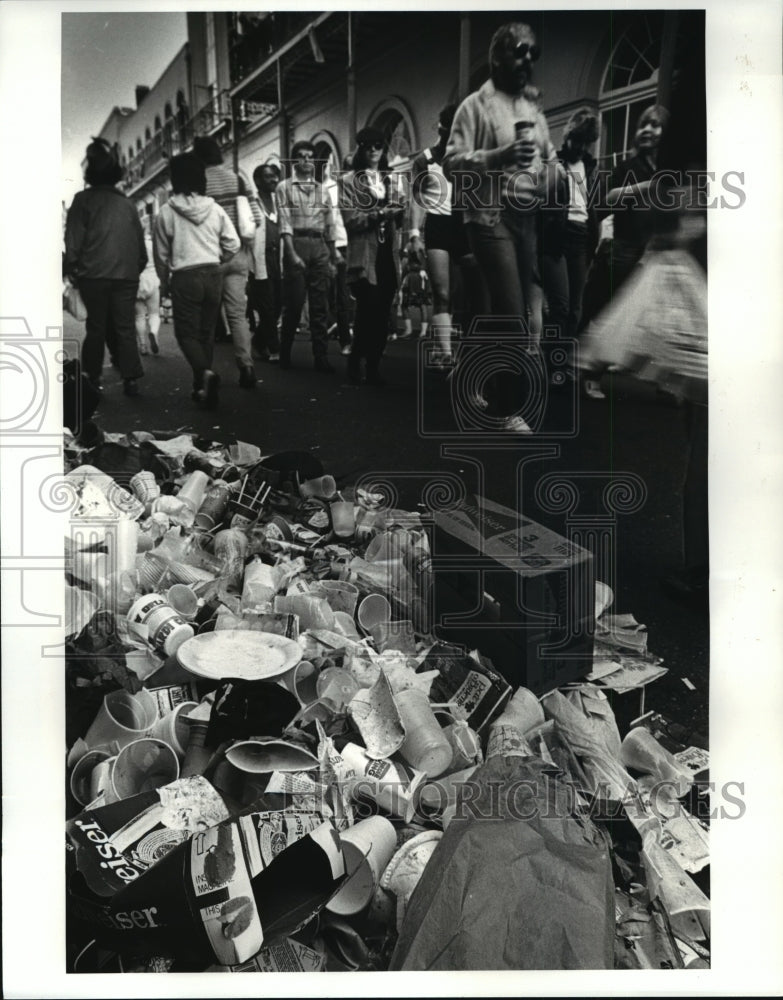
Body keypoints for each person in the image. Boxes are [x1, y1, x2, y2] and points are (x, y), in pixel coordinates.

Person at [444, 22, 558, 433]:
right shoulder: (474, 106)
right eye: (519, 51)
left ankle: (464, 375)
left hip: (526, 218)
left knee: (506, 312)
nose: (527, 59)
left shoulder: (532, 108)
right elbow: (451, 163)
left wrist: (550, 173)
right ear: (497, 56)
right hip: (488, 217)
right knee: (513, 315)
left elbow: (548, 160)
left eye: (533, 53)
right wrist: (499, 154)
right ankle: (503, 407)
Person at [577, 104, 671, 398]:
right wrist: (646, 187)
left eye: (655, 125)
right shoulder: (628, 168)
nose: (647, 130)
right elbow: (610, 197)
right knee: (608, 313)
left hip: (655, 254)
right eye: (643, 124)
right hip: (624, 250)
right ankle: (589, 373)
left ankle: (667, 384)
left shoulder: (669, 170)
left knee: (659, 320)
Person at [153, 153, 240, 409]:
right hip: (213, 272)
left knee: (185, 334)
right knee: (206, 333)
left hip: (185, 276)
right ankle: (200, 385)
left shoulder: (166, 212)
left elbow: (160, 255)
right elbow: (233, 243)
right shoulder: (215, 208)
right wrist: (219, 259)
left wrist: (164, 281)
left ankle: (203, 374)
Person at [64, 138, 147, 396]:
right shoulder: (128, 204)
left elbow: (74, 241)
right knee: (124, 326)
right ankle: (130, 377)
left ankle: (93, 377)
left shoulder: (82, 200)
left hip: (94, 275)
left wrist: (73, 269)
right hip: (126, 275)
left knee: (96, 326)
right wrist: (134, 269)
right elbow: (140, 248)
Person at [192, 136, 262, 389]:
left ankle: (205, 373)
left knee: (208, 317)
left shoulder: (198, 183)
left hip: (210, 258)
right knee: (238, 315)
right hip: (239, 256)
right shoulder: (238, 178)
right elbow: (256, 218)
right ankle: (247, 367)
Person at [540, 107, 600, 394]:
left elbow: (594, 206)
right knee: (560, 307)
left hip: (582, 237)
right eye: (575, 140)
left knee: (575, 309)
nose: (579, 146)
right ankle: (551, 365)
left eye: (585, 142)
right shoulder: (554, 161)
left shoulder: (591, 166)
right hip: (556, 236)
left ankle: (560, 365)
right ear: (568, 136)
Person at [341, 127, 406, 386]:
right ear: (360, 149)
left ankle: (374, 366)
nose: (373, 151)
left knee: (382, 314)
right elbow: (351, 221)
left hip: (387, 252)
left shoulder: (391, 179)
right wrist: (380, 214)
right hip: (365, 254)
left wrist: (399, 210)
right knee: (367, 312)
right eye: (367, 146)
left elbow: (402, 213)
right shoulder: (348, 181)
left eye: (378, 145)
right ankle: (356, 360)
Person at [277, 139, 339, 372]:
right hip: (297, 243)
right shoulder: (284, 187)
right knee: (293, 304)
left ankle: (320, 356)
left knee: (319, 304)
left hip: (319, 244)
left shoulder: (323, 190)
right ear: (294, 161)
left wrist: (333, 256)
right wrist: (291, 253)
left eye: (310, 156)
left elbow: (330, 224)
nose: (306, 160)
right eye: (301, 156)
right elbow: (284, 222)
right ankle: (285, 353)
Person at [248, 157, 282, 363]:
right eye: (268, 177)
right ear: (258, 181)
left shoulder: (279, 202)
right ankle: (275, 348)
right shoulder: (252, 203)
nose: (274, 180)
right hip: (259, 259)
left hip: (278, 258)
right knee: (267, 306)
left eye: (274, 176)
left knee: (278, 304)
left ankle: (258, 342)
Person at [323, 154, 353, 356]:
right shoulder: (334, 189)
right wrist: (333, 250)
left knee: (358, 296)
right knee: (342, 295)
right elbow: (330, 221)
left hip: (361, 245)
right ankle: (345, 340)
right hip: (342, 245)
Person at [135, 232, 162, 357]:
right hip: (153, 278)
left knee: (139, 316)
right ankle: (153, 332)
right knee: (154, 313)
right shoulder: (152, 244)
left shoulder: (132, 244)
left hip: (138, 281)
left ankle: (143, 346)